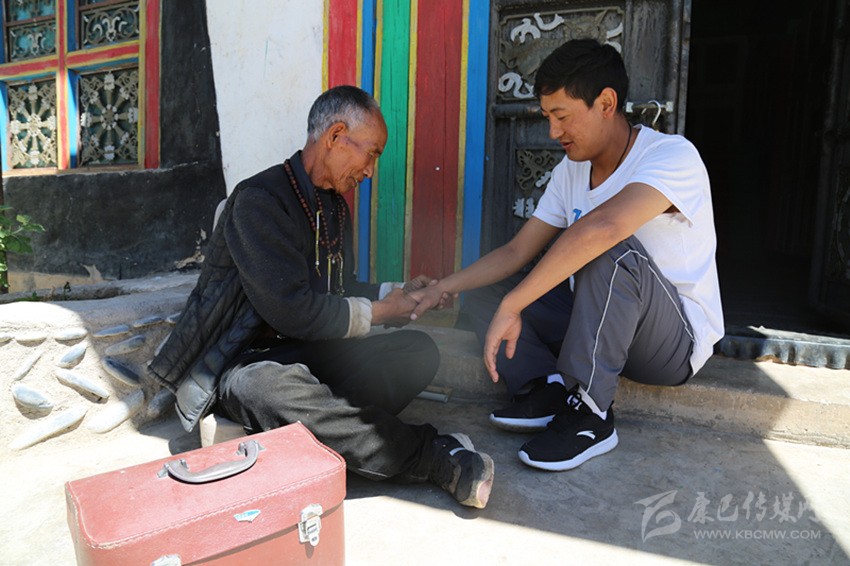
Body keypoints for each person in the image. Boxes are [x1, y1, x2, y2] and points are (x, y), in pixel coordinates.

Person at [148, 85, 494, 508]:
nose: (370, 171)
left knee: (417, 351)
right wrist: (381, 312)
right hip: (252, 362)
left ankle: (323, 430)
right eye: (371, 154)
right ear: (335, 136)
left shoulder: (332, 206)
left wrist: (396, 294)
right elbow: (291, 310)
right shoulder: (259, 201)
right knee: (263, 391)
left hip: (314, 353)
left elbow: (339, 289)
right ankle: (432, 457)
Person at [410, 38, 723, 472]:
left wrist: (515, 305)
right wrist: (444, 288)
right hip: (596, 320)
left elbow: (605, 228)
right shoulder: (570, 171)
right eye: (547, 118)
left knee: (604, 247)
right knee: (492, 291)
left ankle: (591, 415)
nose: (553, 132)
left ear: (606, 103)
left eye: (562, 116)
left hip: (670, 343)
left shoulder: (672, 155)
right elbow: (517, 250)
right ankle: (547, 387)